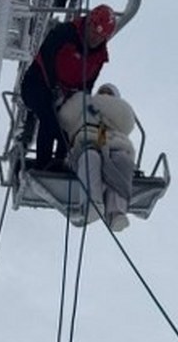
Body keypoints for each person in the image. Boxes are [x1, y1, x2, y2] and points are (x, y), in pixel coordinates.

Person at [19, 4, 117, 170]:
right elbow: (46, 58)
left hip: (66, 94)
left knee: (69, 121)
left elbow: (88, 84)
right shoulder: (64, 33)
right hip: (37, 84)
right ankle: (45, 163)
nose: (95, 38)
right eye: (94, 32)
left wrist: (84, 106)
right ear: (88, 24)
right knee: (49, 116)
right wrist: (54, 87)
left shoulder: (99, 58)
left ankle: (62, 160)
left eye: (101, 37)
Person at [58, 82, 136, 232]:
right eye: (103, 92)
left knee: (120, 161)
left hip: (112, 143)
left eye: (109, 93)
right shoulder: (84, 103)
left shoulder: (110, 110)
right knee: (90, 157)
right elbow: (65, 118)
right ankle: (92, 203)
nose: (105, 95)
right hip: (88, 141)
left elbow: (126, 122)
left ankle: (116, 213)